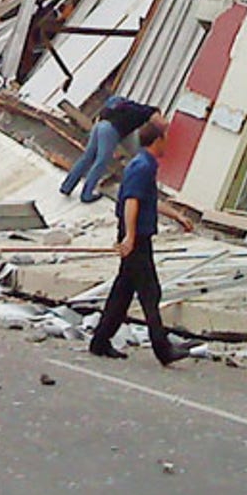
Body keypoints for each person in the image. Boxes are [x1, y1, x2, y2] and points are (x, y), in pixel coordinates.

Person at [88, 121, 190, 366]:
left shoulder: (144, 165)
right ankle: (163, 350)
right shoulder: (142, 166)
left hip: (137, 235)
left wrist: (177, 215)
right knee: (149, 292)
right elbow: (132, 201)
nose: (167, 142)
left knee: (123, 292)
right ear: (157, 141)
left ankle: (100, 341)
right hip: (136, 237)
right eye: (165, 138)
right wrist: (129, 237)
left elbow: (148, 200)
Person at [60, 95, 162, 204]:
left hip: (99, 125)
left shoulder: (130, 106)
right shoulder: (145, 113)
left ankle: (67, 186)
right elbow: (161, 124)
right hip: (110, 130)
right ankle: (87, 194)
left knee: (87, 157)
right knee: (101, 161)